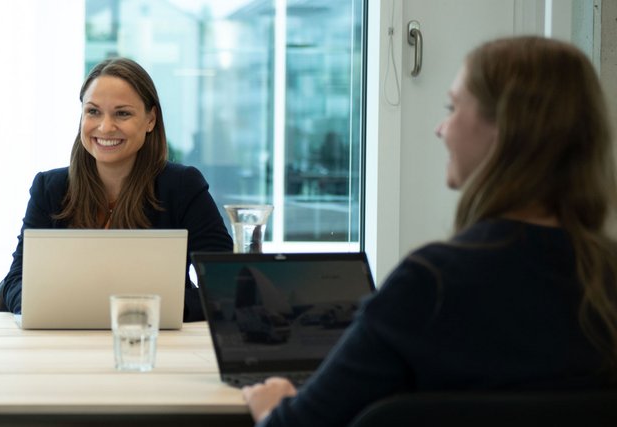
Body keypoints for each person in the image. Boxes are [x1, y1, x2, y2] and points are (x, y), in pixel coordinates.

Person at [242, 36, 617, 426]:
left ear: (505, 130)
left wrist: (271, 406)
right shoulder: (605, 281)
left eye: (452, 108)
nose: (441, 129)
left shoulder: (431, 284)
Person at [0, 57, 233, 322]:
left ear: (150, 119)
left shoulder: (183, 186)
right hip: (64, 343)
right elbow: (18, 279)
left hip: (153, 344)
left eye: (122, 113)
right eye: (93, 111)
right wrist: (49, 306)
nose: (105, 127)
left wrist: (135, 310)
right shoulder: (50, 188)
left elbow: (225, 286)